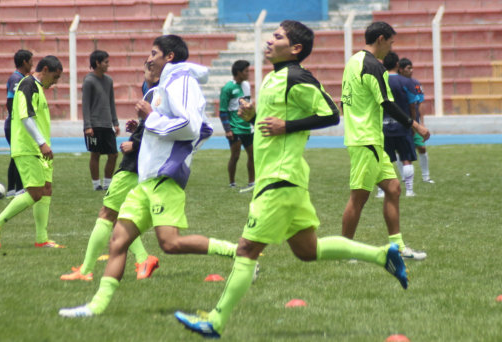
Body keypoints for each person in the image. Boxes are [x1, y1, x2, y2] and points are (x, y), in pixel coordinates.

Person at [173, 20, 409, 339]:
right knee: (307, 250)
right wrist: (254, 117)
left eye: (278, 37)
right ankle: (383, 255)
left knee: (246, 250)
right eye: (272, 35)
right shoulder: (274, 78)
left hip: (279, 180)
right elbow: (276, 121)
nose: (270, 41)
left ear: (295, 48)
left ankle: (214, 322)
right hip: (286, 180)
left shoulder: (297, 77)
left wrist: (287, 126)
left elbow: (330, 113)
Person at [59, 35, 239, 318]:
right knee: (118, 241)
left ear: (168, 57)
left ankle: (239, 253)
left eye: (153, 53)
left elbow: (192, 127)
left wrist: (152, 116)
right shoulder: (167, 83)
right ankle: (94, 308)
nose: (148, 58)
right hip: (145, 181)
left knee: (170, 244)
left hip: (164, 180)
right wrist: (147, 122)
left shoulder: (182, 82)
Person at [60, 61, 161, 282]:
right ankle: (144, 258)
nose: (144, 75)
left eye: (147, 69)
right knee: (120, 217)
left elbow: (162, 126)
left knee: (107, 214)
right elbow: (156, 126)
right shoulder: (156, 94)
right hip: (144, 165)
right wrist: (138, 129)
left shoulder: (158, 93)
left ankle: (85, 271)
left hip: (133, 166)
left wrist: (135, 143)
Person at [340, 21, 429, 260]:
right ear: (380, 39)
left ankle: (397, 246)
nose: (391, 48)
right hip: (365, 139)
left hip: (370, 140)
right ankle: (344, 250)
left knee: (393, 188)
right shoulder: (373, 66)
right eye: (390, 42)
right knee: (358, 198)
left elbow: (344, 100)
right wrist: (416, 124)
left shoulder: (353, 61)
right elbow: (387, 103)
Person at [0, 56, 64, 249]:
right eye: (55, 77)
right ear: (44, 69)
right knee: (35, 192)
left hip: (40, 149)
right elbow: (26, 117)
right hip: (28, 148)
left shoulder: (37, 87)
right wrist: (42, 143)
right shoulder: (26, 85)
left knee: (46, 190)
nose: (55, 82)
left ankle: (42, 239)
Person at [379, 52, 419, 197]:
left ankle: (381, 191)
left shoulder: (380, 81)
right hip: (403, 126)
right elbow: (412, 105)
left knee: (384, 160)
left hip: (383, 126)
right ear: (397, 65)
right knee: (406, 158)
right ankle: (409, 190)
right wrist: (414, 124)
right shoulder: (406, 82)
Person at [82, 50, 120, 191]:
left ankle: (107, 184)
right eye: (106, 62)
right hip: (94, 125)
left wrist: (115, 122)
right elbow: (85, 105)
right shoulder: (89, 81)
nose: (108, 65)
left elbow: (111, 102)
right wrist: (87, 126)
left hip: (106, 124)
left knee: (114, 154)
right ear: (97, 63)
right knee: (95, 154)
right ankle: (96, 184)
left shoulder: (109, 81)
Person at [219, 60, 255, 192]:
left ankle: (252, 182)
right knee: (235, 156)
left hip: (247, 127)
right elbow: (223, 111)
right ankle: (232, 183)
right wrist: (227, 129)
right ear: (238, 72)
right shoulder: (228, 88)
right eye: (246, 71)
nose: (248, 73)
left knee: (253, 154)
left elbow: (247, 106)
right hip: (234, 128)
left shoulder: (246, 85)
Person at [399, 57, 434, 183]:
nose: (411, 70)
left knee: (422, 148)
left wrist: (421, 122)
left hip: (414, 122)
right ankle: (404, 177)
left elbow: (420, 103)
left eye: (412, 67)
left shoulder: (416, 84)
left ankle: (426, 177)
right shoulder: (397, 83)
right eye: (409, 68)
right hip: (401, 122)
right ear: (401, 69)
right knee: (401, 150)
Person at [4, 49, 33, 198]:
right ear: (24, 62)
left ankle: (13, 190)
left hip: (14, 124)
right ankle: (17, 189)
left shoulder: (20, 78)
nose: (32, 64)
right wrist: (18, 120)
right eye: (31, 61)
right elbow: (10, 102)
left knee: (16, 156)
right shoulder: (17, 79)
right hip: (14, 125)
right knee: (18, 155)